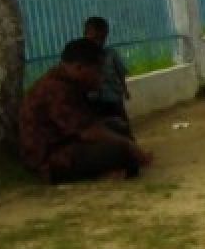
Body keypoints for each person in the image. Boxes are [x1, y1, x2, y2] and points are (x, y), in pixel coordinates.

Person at [20, 38, 153, 184]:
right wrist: (129, 146)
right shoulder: (56, 89)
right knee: (119, 149)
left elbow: (88, 124)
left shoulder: (68, 83)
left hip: (67, 143)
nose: (100, 77)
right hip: (51, 159)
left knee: (117, 127)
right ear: (79, 68)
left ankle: (117, 166)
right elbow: (88, 132)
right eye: (97, 71)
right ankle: (115, 168)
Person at [82, 16, 130, 126]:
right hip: (93, 101)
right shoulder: (81, 57)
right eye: (95, 38)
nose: (99, 42)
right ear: (85, 34)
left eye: (102, 38)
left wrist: (125, 89)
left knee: (122, 126)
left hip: (113, 98)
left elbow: (120, 73)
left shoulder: (111, 53)